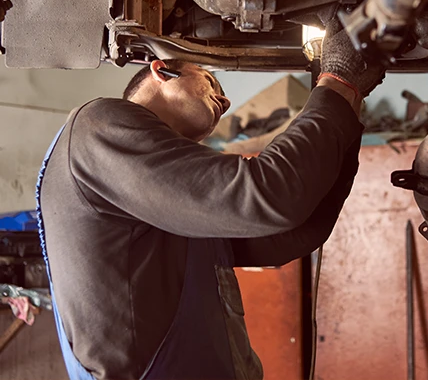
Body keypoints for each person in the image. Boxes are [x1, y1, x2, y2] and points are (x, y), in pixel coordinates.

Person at [37, 28, 385, 380]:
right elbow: (268, 196)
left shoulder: (165, 194)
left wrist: (346, 101)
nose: (226, 101)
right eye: (209, 81)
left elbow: (292, 232)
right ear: (161, 70)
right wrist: (337, 82)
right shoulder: (99, 126)